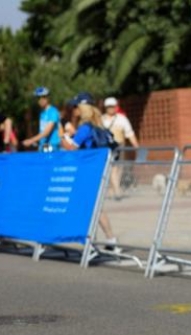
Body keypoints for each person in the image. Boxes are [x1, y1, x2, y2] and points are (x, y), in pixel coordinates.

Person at [61, 103, 119, 249]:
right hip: (98, 171)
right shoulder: (98, 127)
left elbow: (72, 149)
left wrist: (62, 137)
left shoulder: (85, 128)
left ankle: (95, 239)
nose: (74, 111)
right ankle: (107, 239)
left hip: (87, 173)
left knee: (90, 206)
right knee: (95, 206)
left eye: (76, 109)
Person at [101, 97, 139, 199]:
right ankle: (116, 190)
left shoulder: (122, 119)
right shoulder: (101, 120)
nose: (111, 109)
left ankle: (114, 189)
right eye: (108, 107)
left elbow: (129, 133)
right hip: (106, 147)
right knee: (112, 168)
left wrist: (136, 146)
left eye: (112, 107)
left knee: (118, 168)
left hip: (119, 146)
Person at [21, 86, 61, 152]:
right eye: (38, 98)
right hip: (43, 145)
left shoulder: (53, 112)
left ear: (48, 98)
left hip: (52, 145)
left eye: (43, 97)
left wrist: (31, 140)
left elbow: (46, 132)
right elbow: (41, 130)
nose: (40, 100)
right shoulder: (42, 112)